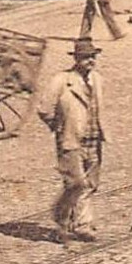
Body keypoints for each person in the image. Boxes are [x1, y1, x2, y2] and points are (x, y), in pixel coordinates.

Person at [37, 38, 107, 242]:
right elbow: (44, 108)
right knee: (75, 183)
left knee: (91, 183)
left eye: (93, 57)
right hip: (71, 140)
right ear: (76, 59)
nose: (90, 61)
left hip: (94, 139)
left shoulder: (98, 80)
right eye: (86, 57)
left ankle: (83, 224)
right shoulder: (62, 80)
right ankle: (62, 220)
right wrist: (58, 127)